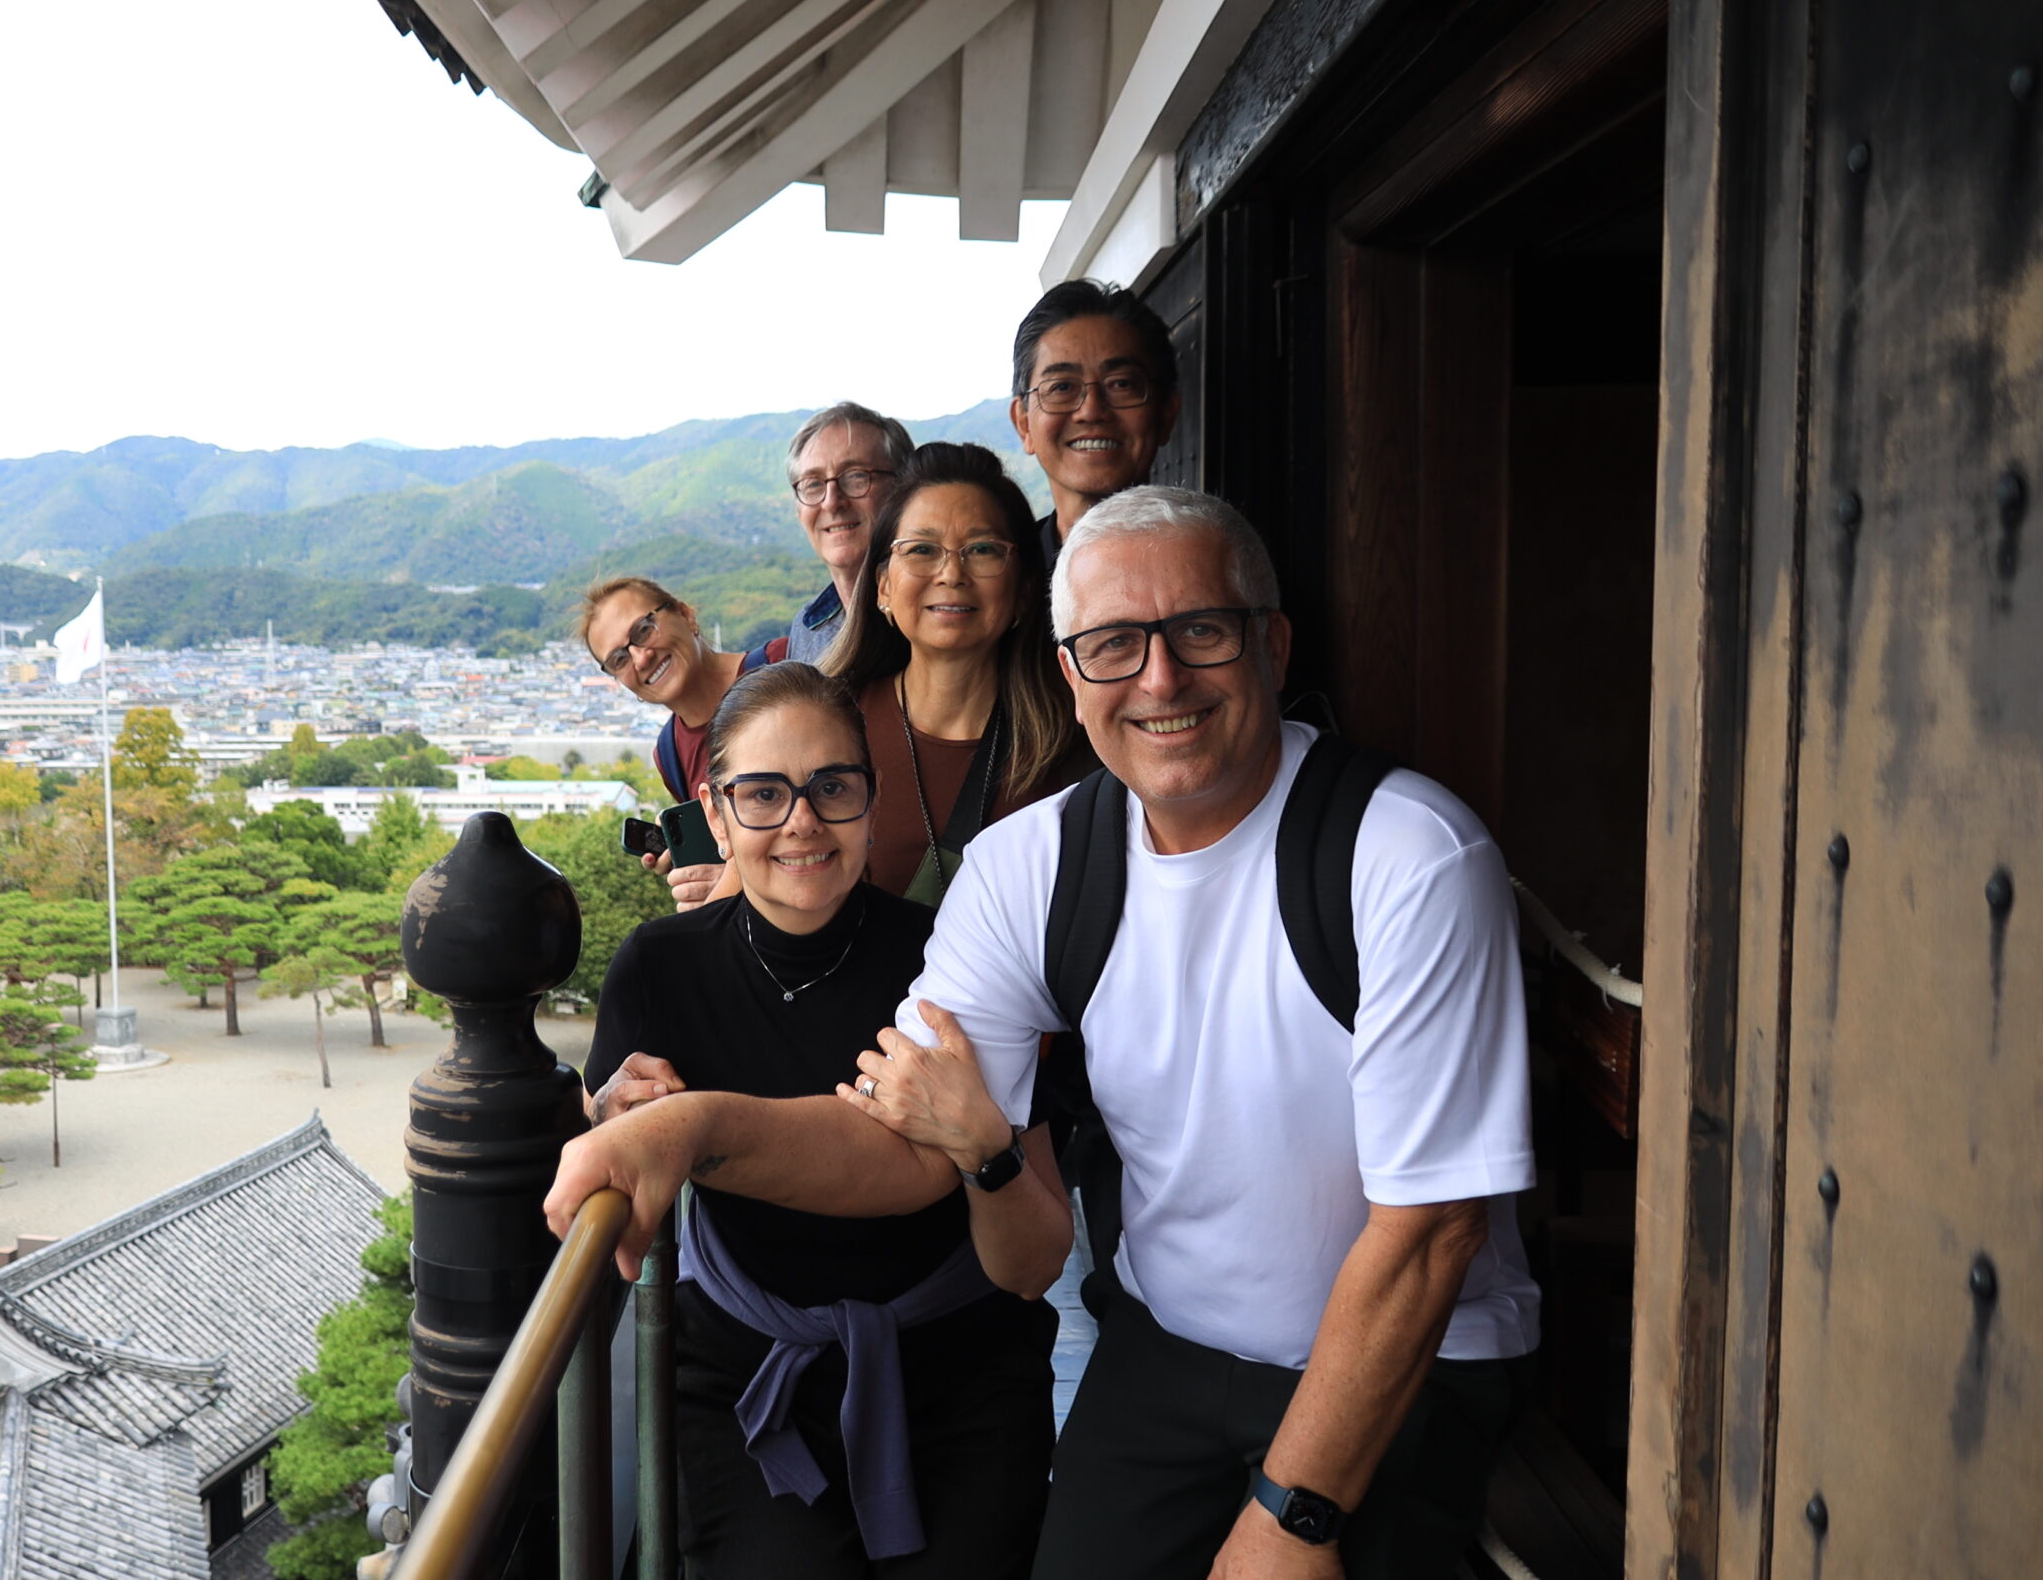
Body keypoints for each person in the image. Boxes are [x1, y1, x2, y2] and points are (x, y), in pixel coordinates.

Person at [552, 486, 1538, 1580]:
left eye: (1199, 631)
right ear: (1069, 674)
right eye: (1113, 645)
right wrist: (683, 1131)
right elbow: (906, 1144)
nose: (1159, 679)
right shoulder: (1032, 868)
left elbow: (1435, 1228)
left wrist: (1288, 1518)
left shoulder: (1405, 857)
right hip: (1166, 1344)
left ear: (1272, 643)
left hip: (1403, 1358)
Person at [581, 662, 1064, 1580]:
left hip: (962, 1369)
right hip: (745, 1371)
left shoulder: (951, 963)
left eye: (831, 787)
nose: (801, 820)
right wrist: (607, 1115)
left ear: (871, 802)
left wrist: (983, 1148)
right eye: (762, 793)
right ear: (714, 815)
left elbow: (1037, 1260)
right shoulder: (659, 967)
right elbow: (601, 1156)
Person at [820, 441, 1094, 903]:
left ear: (1025, 590)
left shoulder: (1080, 740)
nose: (951, 573)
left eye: (982, 549)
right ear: (883, 585)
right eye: (922, 549)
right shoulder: (824, 722)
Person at [580, 577, 785, 908]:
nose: (641, 658)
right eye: (620, 659)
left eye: (644, 630)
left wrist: (733, 883)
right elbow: (732, 854)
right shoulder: (670, 753)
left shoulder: (783, 664)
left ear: (687, 615)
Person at [1008, 280, 1184, 569]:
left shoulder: (1211, 569)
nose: (1091, 411)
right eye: (1062, 387)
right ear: (1023, 423)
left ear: (1166, 413)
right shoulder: (1005, 580)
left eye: (1121, 384)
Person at [782, 403, 913, 663]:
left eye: (855, 477)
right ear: (799, 511)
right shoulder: (809, 630)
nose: (831, 502)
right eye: (813, 484)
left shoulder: (933, 618)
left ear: (905, 490)